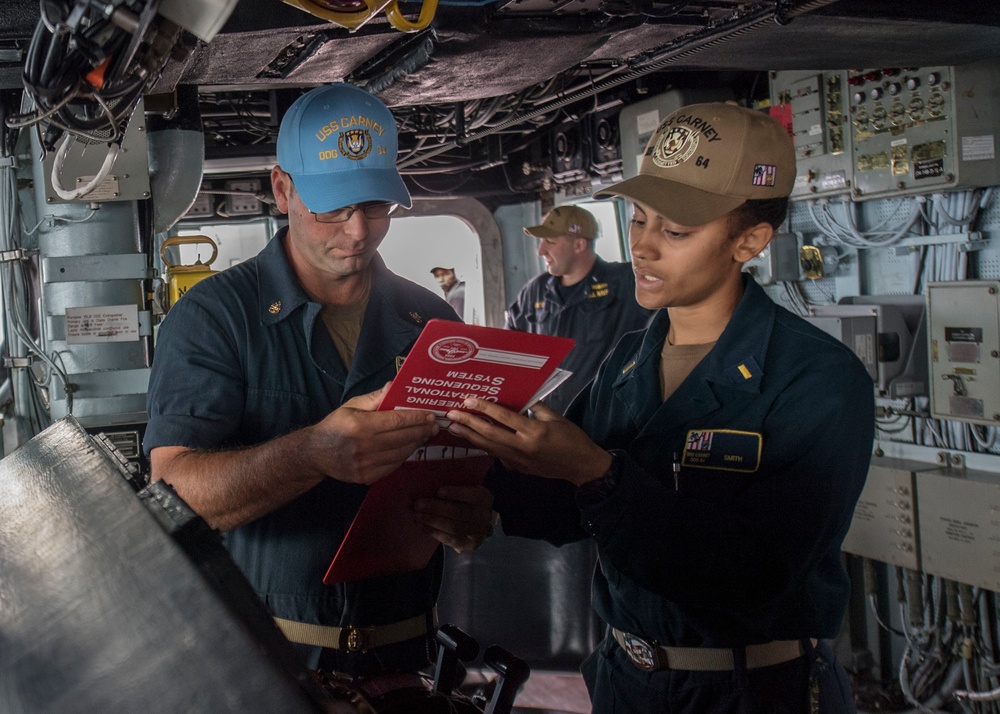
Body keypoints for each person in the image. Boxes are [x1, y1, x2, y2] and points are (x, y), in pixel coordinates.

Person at [444, 102, 874, 713]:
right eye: (639, 219)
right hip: (626, 678)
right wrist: (484, 497)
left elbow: (748, 575)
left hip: (752, 691)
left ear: (749, 240)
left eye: (673, 232)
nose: (641, 247)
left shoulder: (819, 381)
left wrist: (597, 472)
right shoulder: (628, 361)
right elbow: (572, 507)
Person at [143, 83, 495, 677]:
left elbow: (465, 470)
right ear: (282, 188)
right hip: (269, 665)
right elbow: (175, 496)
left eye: (376, 205)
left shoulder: (434, 323)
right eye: (333, 207)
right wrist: (311, 454)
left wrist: (473, 514)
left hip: (408, 659)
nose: (357, 231)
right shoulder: (214, 318)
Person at [506, 204, 652, 414]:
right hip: (543, 424)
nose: (541, 251)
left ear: (579, 245)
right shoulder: (534, 291)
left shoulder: (625, 283)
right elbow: (510, 352)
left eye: (550, 242)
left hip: (602, 422)